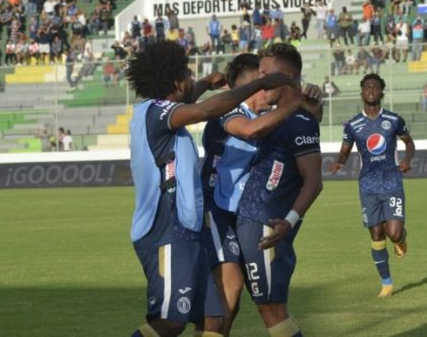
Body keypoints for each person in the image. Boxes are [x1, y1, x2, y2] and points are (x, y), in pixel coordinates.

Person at [126, 40, 297, 337]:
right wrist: (262, 84)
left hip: (186, 231)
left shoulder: (161, 110)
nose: (193, 81)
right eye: (188, 75)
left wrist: (206, 81)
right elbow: (206, 109)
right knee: (170, 322)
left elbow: (190, 98)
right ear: (175, 82)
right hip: (165, 229)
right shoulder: (155, 113)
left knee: (213, 321)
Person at [202, 53, 319, 335]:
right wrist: (294, 104)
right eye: (262, 80)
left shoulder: (267, 115)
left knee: (236, 301)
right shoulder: (230, 111)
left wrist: (311, 109)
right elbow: (252, 131)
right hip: (215, 209)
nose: (268, 86)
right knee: (230, 288)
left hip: (244, 212)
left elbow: (299, 135)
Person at [237, 43, 323, 336]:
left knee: (272, 310)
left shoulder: (299, 120)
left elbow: (314, 181)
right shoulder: (284, 115)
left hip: (266, 225)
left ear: (287, 76)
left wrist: (290, 221)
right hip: (249, 220)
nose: (259, 81)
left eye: (265, 74)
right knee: (226, 307)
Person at [329, 73, 415, 298]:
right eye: (367, 87)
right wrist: (339, 161)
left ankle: (401, 239)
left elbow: (409, 142)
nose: (371, 90)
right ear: (361, 92)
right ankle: (386, 283)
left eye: (375, 87)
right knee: (376, 234)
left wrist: (407, 159)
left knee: (393, 234)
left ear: (381, 93)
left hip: (392, 182)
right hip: (368, 185)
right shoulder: (353, 125)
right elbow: (345, 149)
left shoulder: (394, 120)